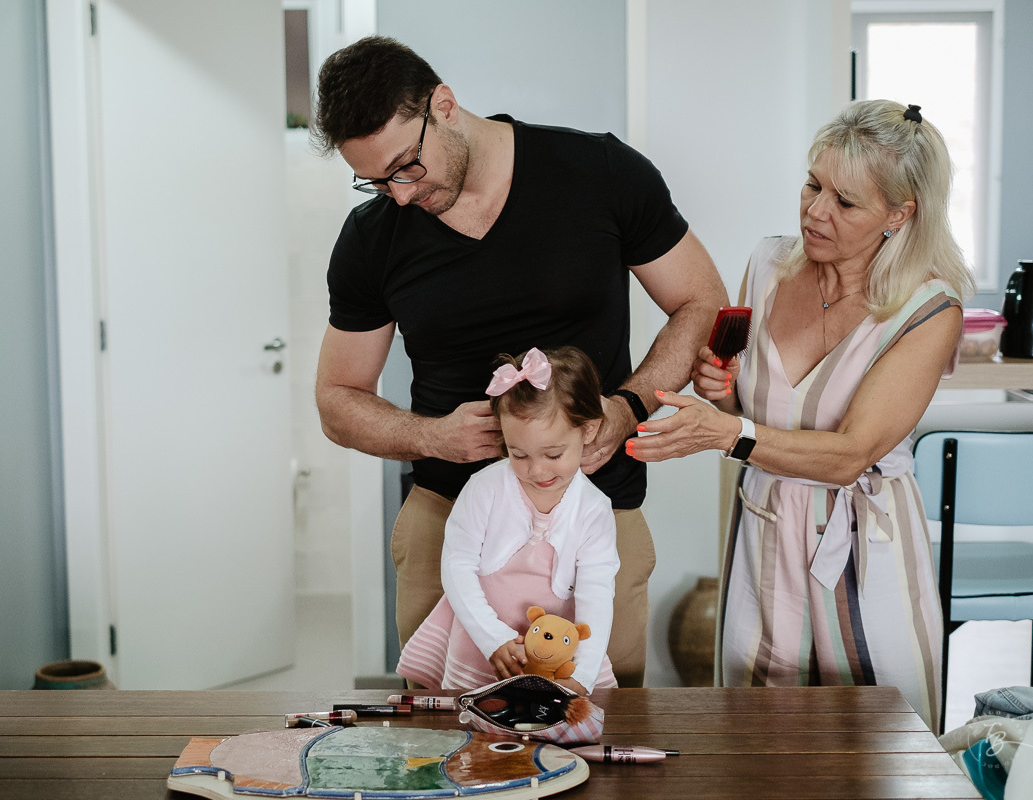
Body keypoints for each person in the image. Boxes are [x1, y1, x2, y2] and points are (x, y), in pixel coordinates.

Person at [312, 35, 728, 688]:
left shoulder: (601, 171)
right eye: (374, 180)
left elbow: (700, 301)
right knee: (445, 747)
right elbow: (338, 397)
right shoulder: (371, 238)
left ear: (442, 105)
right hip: (448, 524)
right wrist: (429, 435)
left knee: (601, 730)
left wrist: (629, 407)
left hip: (597, 519)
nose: (396, 195)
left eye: (406, 167)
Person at [625, 100, 976, 731]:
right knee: (758, 739)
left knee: (877, 745)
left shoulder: (929, 310)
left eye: (845, 202)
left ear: (901, 213)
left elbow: (849, 454)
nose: (815, 211)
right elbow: (746, 404)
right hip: (764, 532)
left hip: (866, 545)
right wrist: (722, 391)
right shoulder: (767, 264)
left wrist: (727, 431)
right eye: (813, 185)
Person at [396, 347, 619, 695]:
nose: (537, 470)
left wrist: (583, 673)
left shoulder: (594, 509)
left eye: (554, 454)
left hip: (554, 654)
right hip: (482, 646)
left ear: (588, 430)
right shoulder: (484, 489)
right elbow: (457, 566)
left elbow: (597, 593)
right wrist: (493, 638)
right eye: (519, 454)